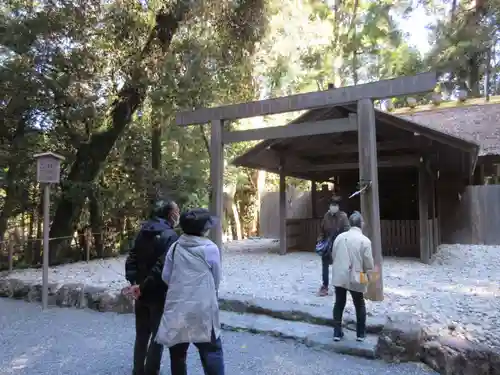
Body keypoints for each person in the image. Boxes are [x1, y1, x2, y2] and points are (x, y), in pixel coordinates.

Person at [156, 208, 224, 375]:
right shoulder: (210, 248)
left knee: (178, 354)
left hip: (178, 307)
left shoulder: (175, 247)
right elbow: (216, 279)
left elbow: (166, 276)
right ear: (203, 229)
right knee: (211, 351)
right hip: (202, 309)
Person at [125, 200, 180, 375]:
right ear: (171, 214)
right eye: (177, 211)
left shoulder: (143, 230)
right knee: (158, 336)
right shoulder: (171, 236)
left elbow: (132, 257)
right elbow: (162, 267)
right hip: (158, 293)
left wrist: (134, 283)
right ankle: (151, 371)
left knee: (141, 335)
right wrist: (143, 286)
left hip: (140, 294)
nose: (178, 214)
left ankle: (138, 370)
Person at [330, 211, 374, 342]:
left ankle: (337, 332)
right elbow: (369, 264)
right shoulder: (365, 241)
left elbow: (334, 255)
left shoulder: (339, 237)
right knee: (359, 303)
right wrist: (369, 277)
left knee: (339, 302)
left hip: (340, 274)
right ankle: (360, 333)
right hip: (357, 274)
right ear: (361, 224)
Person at [317, 196, 350, 297]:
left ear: (338, 206)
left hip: (339, 245)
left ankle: (340, 286)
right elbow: (322, 230)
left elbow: (347, 231)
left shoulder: (343, 216)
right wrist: (320, 241)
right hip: (327, 244)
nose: (333, 207)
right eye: (332, 205)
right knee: (325, 266)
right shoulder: (326, 216)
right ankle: (325, 286)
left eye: (335, 205)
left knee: (340, 267)